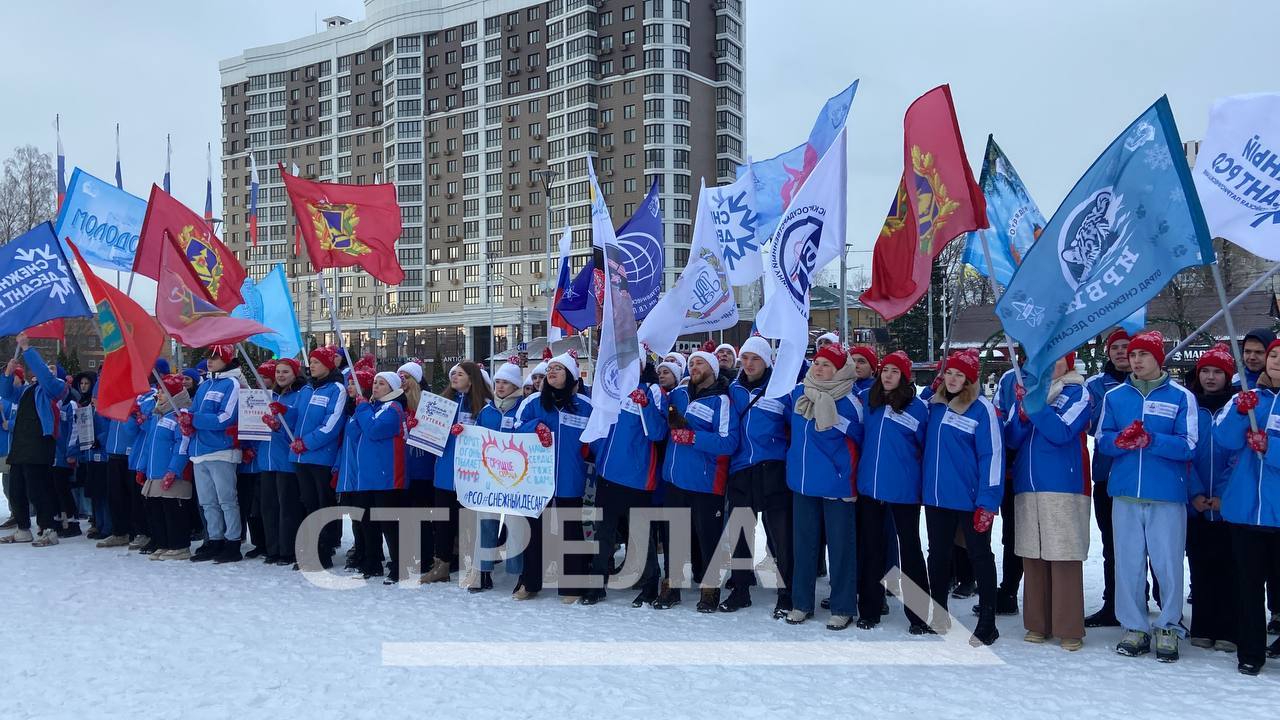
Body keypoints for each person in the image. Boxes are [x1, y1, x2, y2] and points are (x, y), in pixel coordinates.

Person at [1097, 330, 1197, 662]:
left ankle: (1168, 626)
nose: (1136, 360)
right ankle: (1135, 626)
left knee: (1167, 563)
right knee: (1128, 563)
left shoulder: (1181, 397)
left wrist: (1152, 440)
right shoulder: (1115, 397)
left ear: (1158, 358)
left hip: (1166, 494)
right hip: (1125, 493)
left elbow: (1189, 445)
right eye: (1133, 355)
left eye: (1143, 354)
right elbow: (1102, 439)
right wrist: (1119, 442)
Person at [1006, 352, 1091, 651]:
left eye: (1058, 359)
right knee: (1033, 554)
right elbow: (1011, 438)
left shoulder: (1077, 392)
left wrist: (1036, 408)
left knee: (1063, 553)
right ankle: (1037, 623)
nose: (1051, 365)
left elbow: (1062, 432)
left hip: (1062, 484)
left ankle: (1068, 627)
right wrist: (1022, 415)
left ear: (1069, 362)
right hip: (1027, 484)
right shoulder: (1029, 392)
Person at [922, 349, 1004, 646]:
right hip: (937, 497)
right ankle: (939, 613)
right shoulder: (935, 405)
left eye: (960, 375)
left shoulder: (982, 409)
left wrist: (988, 501)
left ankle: (988, 622)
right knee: (938, 555)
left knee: (979, 556)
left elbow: (992, 456)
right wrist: (928, 394)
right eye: (949, 373)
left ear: (970, 379)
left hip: (970, 499)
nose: (953, 379)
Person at [784, 342, 862, 629]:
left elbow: (860, 443)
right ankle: (801, 603)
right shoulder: (800, 394)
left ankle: (843, 606)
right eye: (817, 363)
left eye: (827, 365)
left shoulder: (850, 402)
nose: (818, 368)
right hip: (803, 484)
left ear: (839, 370)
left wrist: (849, 480)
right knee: (803, 547)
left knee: (840, 549)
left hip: (835, 486)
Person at [1214, 338, 1280, 675]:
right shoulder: (1247, 397)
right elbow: (1222, 439)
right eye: (1274, 355)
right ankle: (1251, 651)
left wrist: (1271, 448)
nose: (1277, 361)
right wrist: (1241, 413)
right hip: (1245, 510)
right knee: (1248, 586)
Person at [855, 350, 931, 633]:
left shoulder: (917, 408)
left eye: (894, 371)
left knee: (909, 550)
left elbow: (924, 447)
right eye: (885, 370)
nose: (888, 376)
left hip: (903, 490)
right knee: (872, 549)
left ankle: (919, 614)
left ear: (904, 377)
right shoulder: (869, 399)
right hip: (870, 487)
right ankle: (870, 610)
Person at [661, 349, 739, 612]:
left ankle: (710, 589)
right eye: (692, 363)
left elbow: (729, 442)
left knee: (708, 538)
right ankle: (672, 586)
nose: (694, 366)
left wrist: (694, 438)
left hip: (705, 482)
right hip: (674, 478)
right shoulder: (678, 395)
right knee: (674, 536)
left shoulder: (721, 401)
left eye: (700, 363)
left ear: (713, 370)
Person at [723, 335, 794, 617]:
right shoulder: (733, 390)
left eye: (756, 359)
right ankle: (741, 589)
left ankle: (787, 592)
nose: (750, 364)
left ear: (767, 362)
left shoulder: (781, 390)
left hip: (772, 468)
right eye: (745, 358)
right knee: (740, 533)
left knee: (780, 535)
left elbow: (795, 427)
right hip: (741, 469)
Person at [517, 351, 595, 602]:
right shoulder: (533, 402)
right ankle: (529, 582)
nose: (551, 372)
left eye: (558, 369)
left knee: (570, 530)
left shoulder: (586, 405)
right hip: (537, 479)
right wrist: (535, 426)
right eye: (550, 369)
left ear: (571, 375)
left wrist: (590, 451)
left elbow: (597, 436)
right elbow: (516, 428)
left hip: (570, 478)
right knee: (533, 532)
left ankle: (572, 585)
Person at [590, 357, 667, 606]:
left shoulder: (652, 390)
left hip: (637, 477)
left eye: (636, 362)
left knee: (640, 535)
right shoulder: (610, 387)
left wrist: (646, 405)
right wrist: (598, 453)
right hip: (607, 473)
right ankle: (596, 584)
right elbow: (598, 423)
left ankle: (650, 584)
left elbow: (658, 432)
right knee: (603, 533)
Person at [421, 362, 501, 584]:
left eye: (460, 374)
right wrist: (420, 426)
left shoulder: (485, 406)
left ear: (472, 378)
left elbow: (491, 437)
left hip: (471, 474)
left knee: (471, 523)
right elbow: (431, 431)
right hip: (445, 473)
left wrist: (468, 432)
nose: (454, 377)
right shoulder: (444, 402)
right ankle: (442, 566)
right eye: (453, 374)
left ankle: (475, 567)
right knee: (443, 522)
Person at [1185, 344, 1238, 655]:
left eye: (1217, 372)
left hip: (1227, 503)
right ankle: (1203, 625)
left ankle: (1229, 627)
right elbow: (1186, 453)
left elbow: (1238, 457)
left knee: (1229, 566)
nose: (1210, 377)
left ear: (1228, 376)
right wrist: (1194, 492)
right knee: (1200, 563)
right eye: (1205, 370)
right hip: (1196, 503)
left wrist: (1222, 495)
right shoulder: (1191, 406)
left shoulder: (1237, 407)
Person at [0, 334, 70, 546]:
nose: (47, 370)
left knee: (38, 488)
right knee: (16, 488)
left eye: (52, 368)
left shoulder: (55, 388)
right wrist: (8, 373)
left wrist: (26, 348)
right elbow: (6, 393)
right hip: (21, 444)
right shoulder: (28, 390)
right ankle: (23, 528)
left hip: (39, 443)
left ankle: (48, 528)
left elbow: (45, 376)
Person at [1083, 328, 1131, 628]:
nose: (1122, 352)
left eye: (1127, 346)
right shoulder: (1096, 385)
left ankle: (1154, 599)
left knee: (1149, 546)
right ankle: (1113, 603)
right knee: (1112, 544)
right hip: (1106, 474)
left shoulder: (1146, 382)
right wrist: (1114, 402)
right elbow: (1089, 425)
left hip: (1142, 475)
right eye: (1116, 348)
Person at [287, 346, 348, 570]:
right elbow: (296, 417)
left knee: (323, 505)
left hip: (321, 457)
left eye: (316, 362)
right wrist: (281, 413)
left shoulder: (336, 389)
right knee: (308, 504)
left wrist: (308, 442)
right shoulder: (306, 389)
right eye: (311, 362)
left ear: (328, 365)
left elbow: (332, 424)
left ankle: (324, 551)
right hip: (301, 458)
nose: (311, 366)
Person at [183, 345, 245, 564]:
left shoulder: (232, 383)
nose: (210, 361)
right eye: (208, 357)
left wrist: (195, 420)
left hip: (221, 451)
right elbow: (193, 411)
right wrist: (187, 421)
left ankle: (233, 542)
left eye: (215, 357)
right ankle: (215, 539)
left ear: (226, 360)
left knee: (227, 500)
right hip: (200, 451)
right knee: (208, 502)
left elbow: (225, 418)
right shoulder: (205, 384)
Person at [347, 371, 410, 580]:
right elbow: (353, 431)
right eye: (375, 382)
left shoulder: (394, 408)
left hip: (386, 475)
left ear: (392, 388)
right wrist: (361, 411)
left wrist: (363, 409)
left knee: (388, 523)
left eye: (381, 383)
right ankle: (372, 562)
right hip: (367, 475)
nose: (375, 386)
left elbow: (374, 430)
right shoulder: (372, 407)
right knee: (367, 522)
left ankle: (399, 565)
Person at [138, 374, 194, 560]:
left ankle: (179, 545)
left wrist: (174, 470)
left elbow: (182, 445)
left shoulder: (179, 415)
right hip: (154, 473)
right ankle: (163, 543)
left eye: (163, 392)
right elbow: (149, 445)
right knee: (157, 511)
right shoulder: (158, 416)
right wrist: (142, 468)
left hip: (172, 474)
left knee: (173, 510)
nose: (158, 395)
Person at [259, 358, 305, 567]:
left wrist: (280, 422)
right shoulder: (269, 395)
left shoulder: (300, 395)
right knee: (268, 507)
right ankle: (273, 548)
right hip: (266, 460)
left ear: (295, 373)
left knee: (288, 507)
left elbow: (299, 425)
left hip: (286, 460)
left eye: (285, 372)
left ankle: (288, 550)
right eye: (278, 372)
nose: (280, 375)